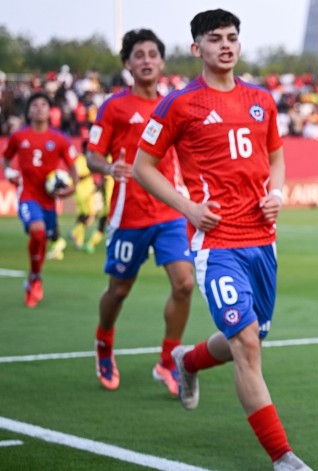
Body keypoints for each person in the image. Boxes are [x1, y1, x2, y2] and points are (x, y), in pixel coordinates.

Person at [132, 10, 310, 471]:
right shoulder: (179, 103)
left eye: (232, 37)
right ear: (197, 49)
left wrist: (276, 192)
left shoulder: (262, 100)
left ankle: (186, 362)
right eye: (215, 39)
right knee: (247, 343)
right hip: (216, 243)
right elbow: (142, 166)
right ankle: (282, 457)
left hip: (263, 241)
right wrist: (188, 209)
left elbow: (277, 159)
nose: (226, 45)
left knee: (247, 337)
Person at [85, 28, 195, 396]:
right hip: (127, 214)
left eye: (152, 54)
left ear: (162, 62)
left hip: (170, 213)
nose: (146, 60)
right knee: (119, 290)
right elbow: (92, 155)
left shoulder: (175, 105)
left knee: (184, 283)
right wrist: (108, 169)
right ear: (128, 64)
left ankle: (167, 361)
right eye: (139, 55)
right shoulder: (114, 107)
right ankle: (104, 342)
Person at [2, 92, 78, 308]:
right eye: (34, 105)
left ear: (50, 110)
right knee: (38, 231)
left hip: (49, 200)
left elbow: (73, 170)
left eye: (44, 104)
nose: (39, 108)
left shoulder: (59, 139)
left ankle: (35, 277)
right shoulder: (19, 137)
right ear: (28, 111)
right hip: (27, 195)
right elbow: (6, 160)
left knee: (43, 238)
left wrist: (70, 190)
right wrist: (10, 174)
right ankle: (35, 280)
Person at [68, 141, 98, 252]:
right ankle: (74, 232)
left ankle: (78, 241)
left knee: (83, 215)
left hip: (88, 191)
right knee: (88, 214)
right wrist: (90, 172)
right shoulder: (80, 160)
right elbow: (78, 175)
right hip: (82, 192)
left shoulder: (87, 159)